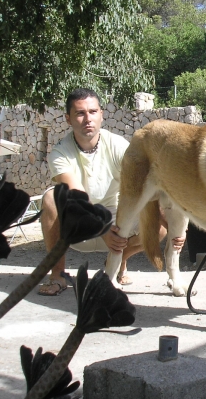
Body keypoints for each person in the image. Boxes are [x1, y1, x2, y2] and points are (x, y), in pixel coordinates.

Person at [38, 88, 185, 296]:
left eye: (93, 112)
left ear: (101, 115)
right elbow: (77, 196)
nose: (87, 119)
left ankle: (118, 260)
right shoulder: (60, 153)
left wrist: (174, 227)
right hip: (83, 226)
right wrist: (102, 229)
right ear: (68, 119)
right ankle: (58, 275)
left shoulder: (118, 145)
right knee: (51, 198)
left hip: (119, 224)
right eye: (80, 113)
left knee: (158, 226)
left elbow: (145, 186)